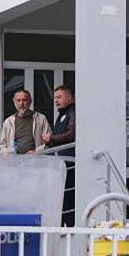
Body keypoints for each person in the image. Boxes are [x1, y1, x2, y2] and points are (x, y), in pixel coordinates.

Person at [43, 85, 76, 226]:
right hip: (62, 161)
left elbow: (72, 134)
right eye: (55, 97)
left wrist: (52, 138)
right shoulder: (62, 114)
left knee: (67, 197)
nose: (56, 100)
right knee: (62, 196)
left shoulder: (73, 112)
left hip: (70, 162)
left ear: (70, 97)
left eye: (59, 97)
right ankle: (63, 224)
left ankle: (68, 225)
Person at [0, 89, 51, 155]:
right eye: (18, 100)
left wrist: (37, 152)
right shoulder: (8, 122)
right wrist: (7, 152)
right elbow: (2, 146)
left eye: (24, 100)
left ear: (30, 101)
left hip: (36, 160)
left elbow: (48, 142)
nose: (21, 104)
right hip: (14, 161)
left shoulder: (40, 118)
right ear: (14, 102)